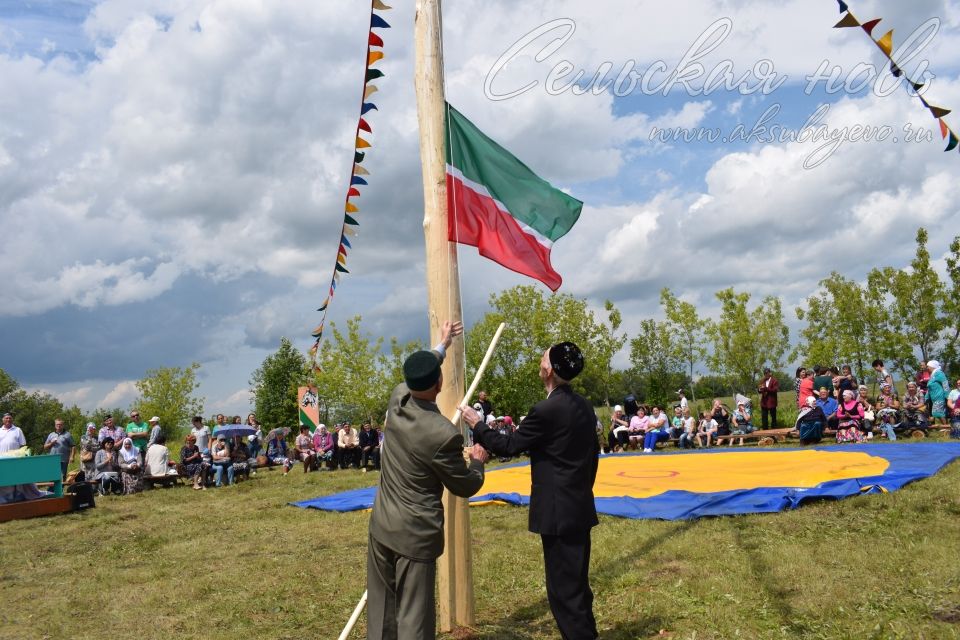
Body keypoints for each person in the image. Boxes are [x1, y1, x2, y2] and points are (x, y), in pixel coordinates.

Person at [466, 340, 599, 640]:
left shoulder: (546, 410)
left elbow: (508, 445)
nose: (539, 359)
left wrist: (477, 425)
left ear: (548, 369)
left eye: (543, 355)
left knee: (563, 593)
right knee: (577, 586)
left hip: (558, 511)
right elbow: (593, 456)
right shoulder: (583, 405)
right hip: (578, 504)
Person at [366, 320, 487, 640]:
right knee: (414, 620)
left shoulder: (398, 399)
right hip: (415, 535)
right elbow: (464, 486)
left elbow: (418, 372)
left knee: (381, 613)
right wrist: (477, 462)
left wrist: (442, 345)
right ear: (440, 383)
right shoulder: (442, 433)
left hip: (381, 525)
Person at [926, 360, 949, 427]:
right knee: (937, 413)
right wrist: (927, 397)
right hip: (934, 398)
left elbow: (945, 383)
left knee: (937, 413)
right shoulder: (933, 375)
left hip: (939, 396)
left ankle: (946, 427)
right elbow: (929, 387)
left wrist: (947, 395)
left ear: (932, 366)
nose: (927, 368)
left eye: (928, 366)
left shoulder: (939, 373)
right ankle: (945, 426)